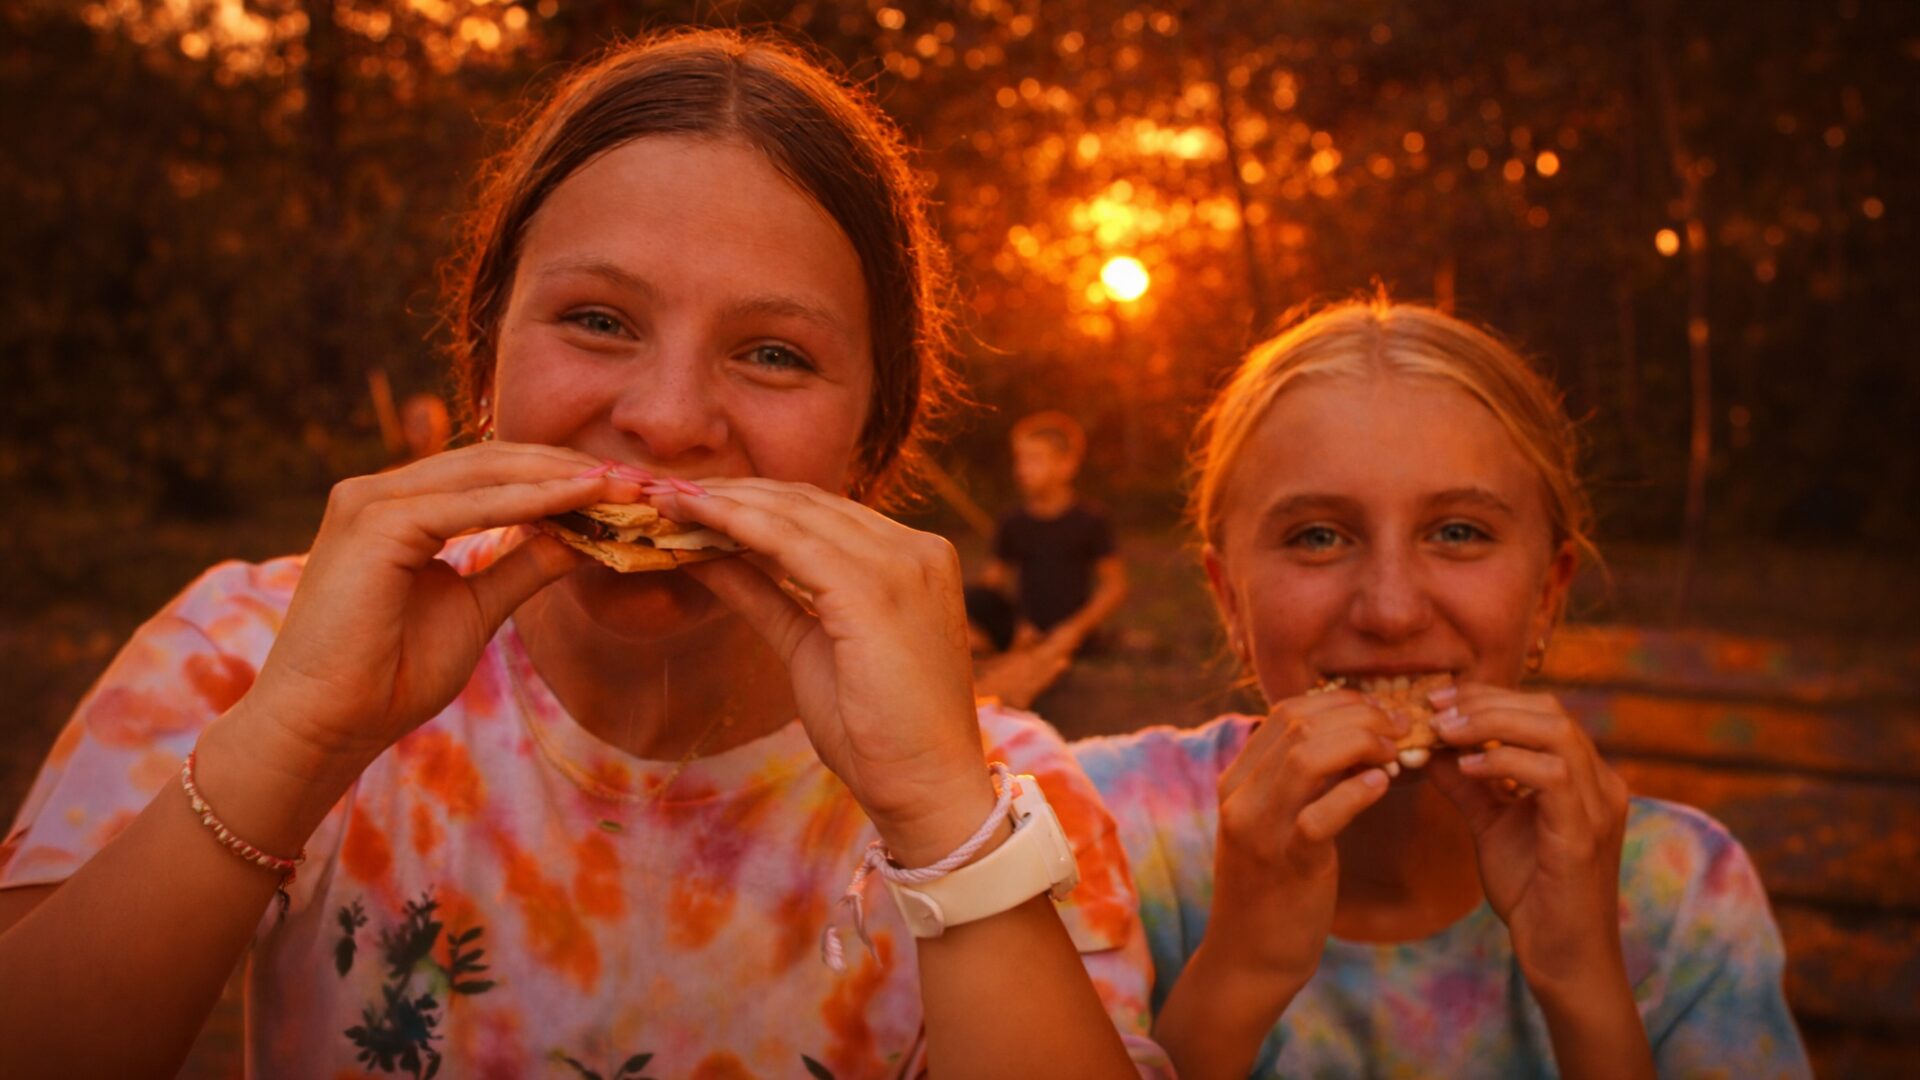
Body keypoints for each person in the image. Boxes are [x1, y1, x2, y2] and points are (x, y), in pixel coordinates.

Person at [0, 30, 1164, 1078]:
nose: (667, 419)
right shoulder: (248, 654)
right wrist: (295, 737)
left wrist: (943, 831)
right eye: (599, 321)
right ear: (485, 357)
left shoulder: (1006, 800)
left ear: (873, 438)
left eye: (771, 353)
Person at [1072, 299, 1810, 1078]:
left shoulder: (1683, 896)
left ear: (1548, 593)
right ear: (1229, 598)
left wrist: (1585, 983)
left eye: (1458, 532)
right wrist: (1239, 974)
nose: (1392, 610)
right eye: (1318, 537)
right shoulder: (1095, 834)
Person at [980, 411, 1128, 657]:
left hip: (1074, 636)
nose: (1023, 469)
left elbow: (1114, 587)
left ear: (1066, 465)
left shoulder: (1091, 520)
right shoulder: (1012, 522)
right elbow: (993, 582)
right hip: (1025, 633)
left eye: (1035, 459)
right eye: (1020, 459)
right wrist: (1011, 624)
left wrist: (1074, 630)